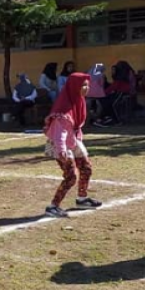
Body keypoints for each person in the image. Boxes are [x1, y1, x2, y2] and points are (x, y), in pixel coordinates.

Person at [43, 72, 103, 218]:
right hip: (60, 145)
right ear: (75, 86)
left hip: (72, 140)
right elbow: (60, 133)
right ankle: (53, 206)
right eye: (83, 85)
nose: (86, 88)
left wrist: (78, 142)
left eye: (87, 85)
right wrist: (62, 150)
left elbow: (75, 127)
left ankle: (82, 199)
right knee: (71, 177)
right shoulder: (63, 108)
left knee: (86, 168)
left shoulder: (78, 101)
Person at [95, 61, 136, 127]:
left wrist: (104, 93)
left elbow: (115, 86)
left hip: (122, 92)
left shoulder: (124, 75)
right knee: (107, 101)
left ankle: (117, 121)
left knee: (113, 104)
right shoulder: (126, 74)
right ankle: (107, 118)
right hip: (121, 91)